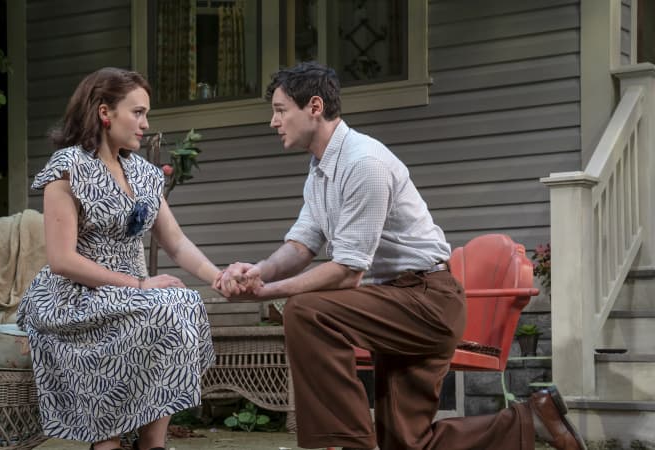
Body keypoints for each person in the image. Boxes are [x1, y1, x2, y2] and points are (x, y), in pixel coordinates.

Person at [215, 62, 587, 450]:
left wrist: (268, 291)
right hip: (395, 305)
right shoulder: (320, 172)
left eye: (279, 110)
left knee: (305, 311)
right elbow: (301, 245)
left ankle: (355, 444)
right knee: (409, 443)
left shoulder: (364, 163)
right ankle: (532, 421)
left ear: (313, 106)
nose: (273, 122)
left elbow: (347, 273)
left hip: (427, 301)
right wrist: (256, 272)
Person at [17, 67, 218, 450]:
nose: (145, 123)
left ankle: (151, 443)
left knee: (184, 302)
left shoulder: (144, 173)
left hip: (125, 295)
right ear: (104, 112)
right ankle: (106, 441)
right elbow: (62, 260)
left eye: (146, 113)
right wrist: (141, 284)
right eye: (137, 112)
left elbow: (176, 242)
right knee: (164, 307)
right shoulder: (67, 169)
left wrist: (218, 277)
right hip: (73, 296)